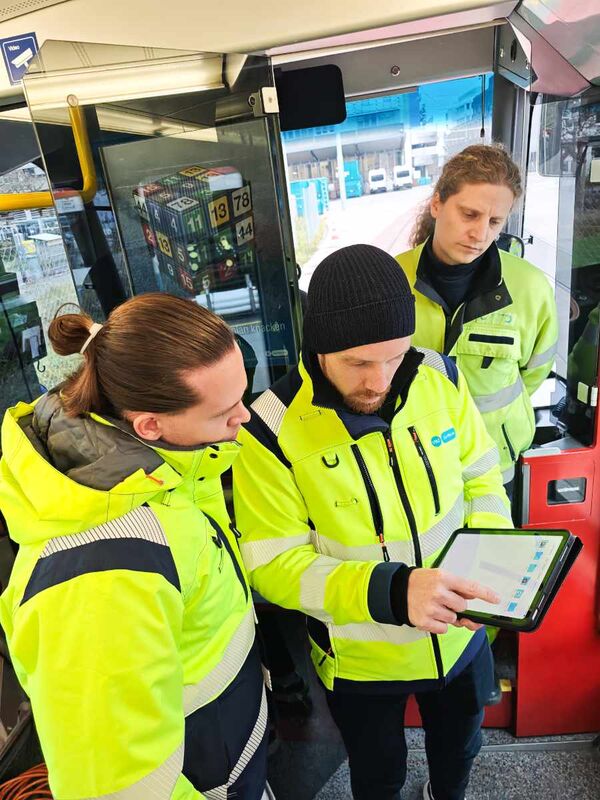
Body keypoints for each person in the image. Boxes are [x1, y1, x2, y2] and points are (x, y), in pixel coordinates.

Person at [233, 244, 512, 800]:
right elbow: (272, 565)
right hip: (360, 660)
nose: (379, 379)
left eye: (394, 356)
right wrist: (393, 592)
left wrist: (487, 562)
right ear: (319, 346)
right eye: (359, 363)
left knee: (461, 747)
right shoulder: (269, 430)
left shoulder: (440, 376)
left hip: (460, 636)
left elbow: (482, 478)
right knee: (379, 774)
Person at [0, 293, 270, 800]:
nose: (245, 417)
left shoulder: (168, 466)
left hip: (224, 758)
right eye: (224, 412)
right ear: (149, 424)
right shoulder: (99, 577)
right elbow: (120, 787)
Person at [396, 144, 558, 495]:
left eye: (495, 222)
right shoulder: (389, 279)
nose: (481, 234)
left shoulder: (530, 288)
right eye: (470, 214)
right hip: (413, 468)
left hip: (494, 467)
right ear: (437, 204)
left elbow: (533, 373)